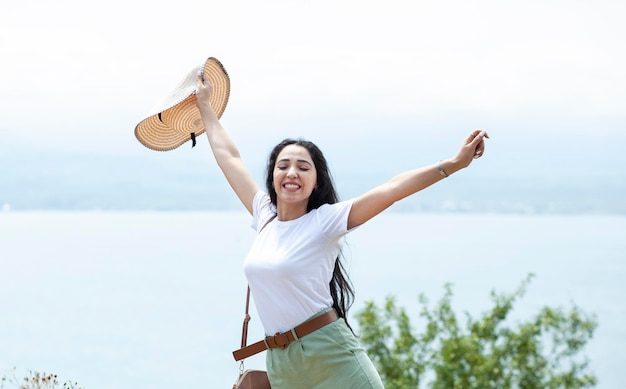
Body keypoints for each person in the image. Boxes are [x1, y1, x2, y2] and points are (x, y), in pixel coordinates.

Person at [195, 73, 489, 389]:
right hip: (282, 365)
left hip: (331, 355)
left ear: (316, 181)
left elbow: (392, 189)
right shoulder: (264, 215)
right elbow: (229, 157)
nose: (292, 172)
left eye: (303, 167)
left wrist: (454, 164)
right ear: (273, 176)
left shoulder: (326, 221)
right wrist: (204, 106)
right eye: (283, 165)